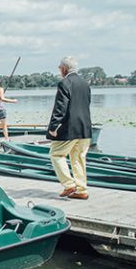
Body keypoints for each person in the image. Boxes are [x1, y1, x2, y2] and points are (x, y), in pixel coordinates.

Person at [47, 56, 92, 200]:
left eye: (60, 68)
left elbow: (60, 107)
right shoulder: (85, 83)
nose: (59, 70)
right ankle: (81, 189)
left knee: (56, 154)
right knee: (78, 158)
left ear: (65, 68)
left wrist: (53, 126)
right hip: (85, 127)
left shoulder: (64, 83)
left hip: (69, 128)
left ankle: (69, 184)